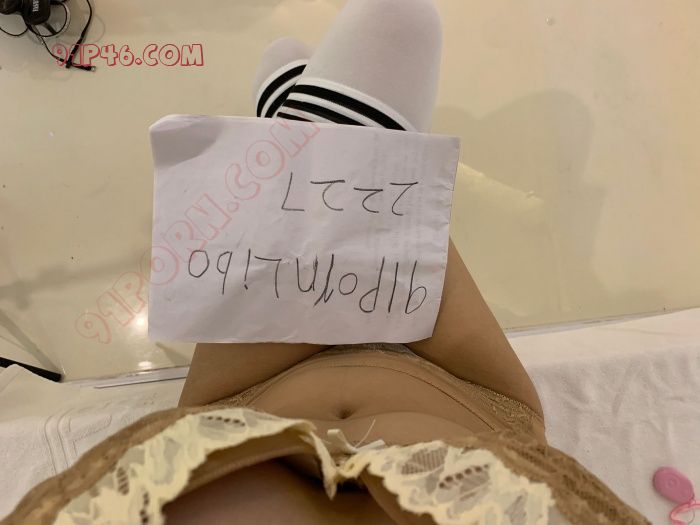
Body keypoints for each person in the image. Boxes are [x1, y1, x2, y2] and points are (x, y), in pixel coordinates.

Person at [4, 1, 649, 524]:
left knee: (390, 47)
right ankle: (317, 149)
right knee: (394, 48)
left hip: (235, 397)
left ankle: (307, 144)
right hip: (475, 395)